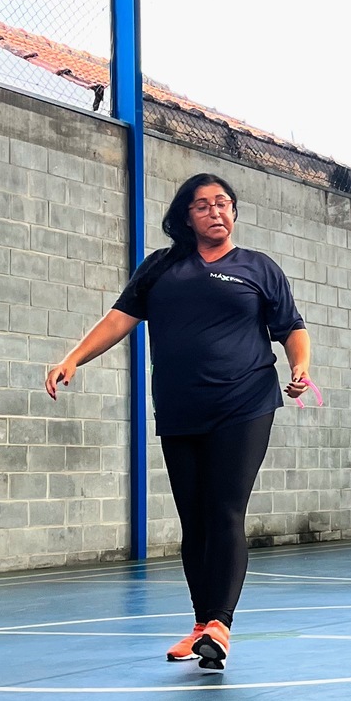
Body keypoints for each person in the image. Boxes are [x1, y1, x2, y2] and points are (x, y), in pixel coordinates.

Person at [45, 173, 311, 669]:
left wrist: (300, 366)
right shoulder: (162, 269)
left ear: (234, 212)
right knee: (194, 517)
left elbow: (291, 327)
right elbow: (118, 319)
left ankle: (221, 625)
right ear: (185, 215)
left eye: (224, 203)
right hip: (180, 407)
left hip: (245, 402)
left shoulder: (258, 268)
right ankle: (200, 624)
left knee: (225, 508)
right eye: (204, 205)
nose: (216, 212)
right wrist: (73, 358)